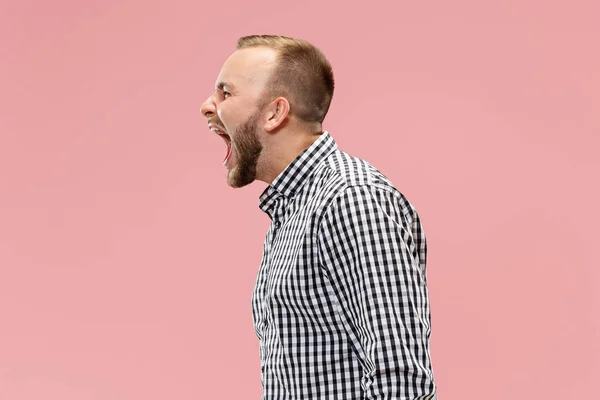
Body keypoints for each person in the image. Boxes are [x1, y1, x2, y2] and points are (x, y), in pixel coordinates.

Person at [200, 35, 437, 400]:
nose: (207, 106)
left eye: (225, 93)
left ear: (275, 113)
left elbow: (401, 382)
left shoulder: (351, 199)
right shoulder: (294, 207)